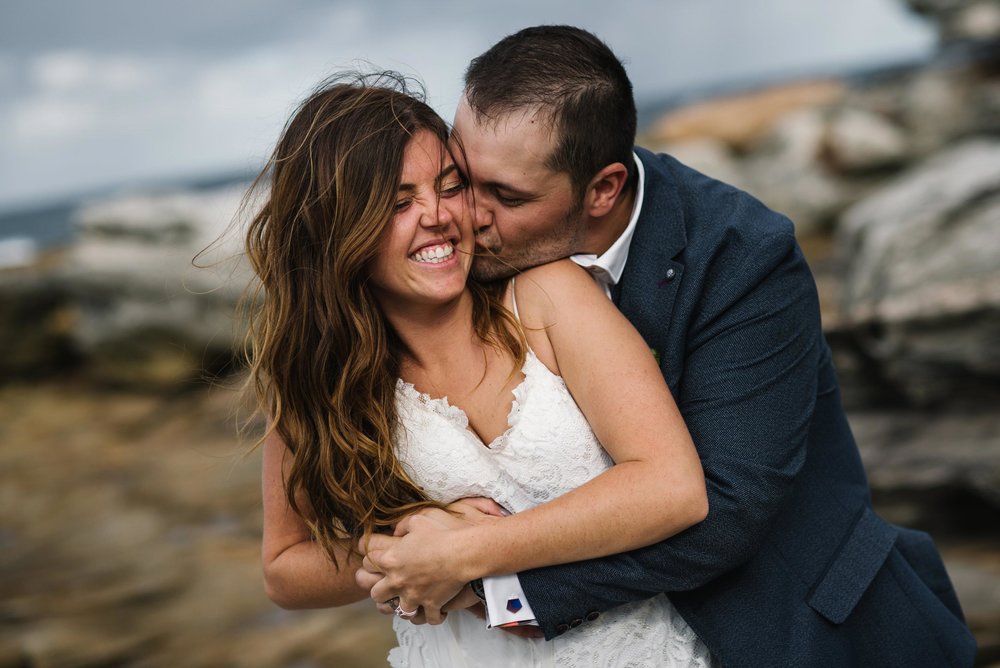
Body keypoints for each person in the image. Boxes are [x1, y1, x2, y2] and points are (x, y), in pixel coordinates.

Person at [357, 26, 978, 666]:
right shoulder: (470, 263)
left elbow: (728, 509)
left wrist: (491, 579)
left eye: (506, 197)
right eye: (463, 178)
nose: (468, 216)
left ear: (603, 189)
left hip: (800, 626)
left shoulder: (743, 257)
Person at [249, 72, 718, 666]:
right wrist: (396, 549)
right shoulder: (318, 378)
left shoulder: (549, 299)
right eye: (399, 203)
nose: (438, 216)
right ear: (338, 232)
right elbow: (284, 569)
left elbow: (671, 487)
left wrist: (469, 551)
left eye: (449, 187)